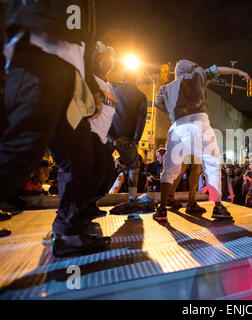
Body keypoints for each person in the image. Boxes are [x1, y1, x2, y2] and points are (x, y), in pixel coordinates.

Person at [0, 0, 111, 255]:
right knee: (21, 152)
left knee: (81, 158)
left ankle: (68, 232)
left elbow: (82, 42)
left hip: (70, 76)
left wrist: (90, 86)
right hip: (37, 59)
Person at [153, 59, 251, 222]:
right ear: (188, 68)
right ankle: (218, 207)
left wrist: (174, 114)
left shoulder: (165, 89)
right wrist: (239, 72)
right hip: (199, 124)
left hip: (178, 126)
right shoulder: (197, 75)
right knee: (211, 164)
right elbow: (218, 69)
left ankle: (162, 209)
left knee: (170, 169)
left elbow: (158, 104)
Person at [83, 41, 117, 222]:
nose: (109, 61)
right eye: (105, 58)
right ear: (96, 60)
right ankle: (82, 206)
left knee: (109, 171)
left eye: (111, 58)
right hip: (89, 131)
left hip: (103, 136)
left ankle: (90, 203)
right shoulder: (90, 80)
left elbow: (110, 115)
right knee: (98, 169)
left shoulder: (109, 86)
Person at [108, 70, 147, 202]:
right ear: (135, 79)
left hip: (110, 135)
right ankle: (132, 197)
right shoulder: (140, 96)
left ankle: (96, 197)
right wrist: (136, 139)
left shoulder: (113, 91)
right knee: (133, 167)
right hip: (128, 138)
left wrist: (112, 137)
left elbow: (106, 114)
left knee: (102, 165)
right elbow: (141, 120)